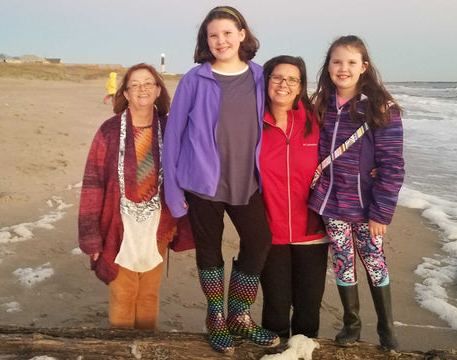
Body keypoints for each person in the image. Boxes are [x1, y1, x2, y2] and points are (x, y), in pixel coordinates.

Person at [162, 5, 280, 354]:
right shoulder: (194, 80)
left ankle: (239, 316)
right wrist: (172, 190)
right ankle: (216, 316)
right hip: (202, 184)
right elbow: (173, 136)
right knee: (209, 252)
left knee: (259, 242)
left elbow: (292, 111)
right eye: (213, 35)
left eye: (228, 33)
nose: (221, 40)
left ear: (242, 34)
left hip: (248, 181)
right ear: (206, 41)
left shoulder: (261, 76)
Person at [308, 35, 404, 351]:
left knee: (374, 262)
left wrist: (381, 213)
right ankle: (352, 324)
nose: (343, 68)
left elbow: (392, 166)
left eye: (351, 62)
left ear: (363, 67)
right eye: (337, 62)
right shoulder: (320, 105)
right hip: (332, 204)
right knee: (342, 262)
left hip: (366, 209)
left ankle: (387, 329)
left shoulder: (381, 109)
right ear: (328, 67)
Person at [78, 63, 178, 330]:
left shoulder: (172, 128)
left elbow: (189, 172)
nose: (142, 89)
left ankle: (145, 348)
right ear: (126, 92)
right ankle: (121, 350)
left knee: (148, 294)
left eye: (148, 83)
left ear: (158, 90)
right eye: (135, 84)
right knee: (123, 293)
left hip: (158, 226)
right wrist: (91, 238)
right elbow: (92, 184)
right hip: (117, 226)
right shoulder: (109, 131)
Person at [259, 56, 329, 340]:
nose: (284, 84)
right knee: (275, 311)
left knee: (308, 312)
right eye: (277, 77)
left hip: (312, 233)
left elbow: (351, 149)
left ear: (300, 87)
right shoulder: (252, 123)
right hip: (269, 232)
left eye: (292, 79)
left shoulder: (317, 120)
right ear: (266, 82)